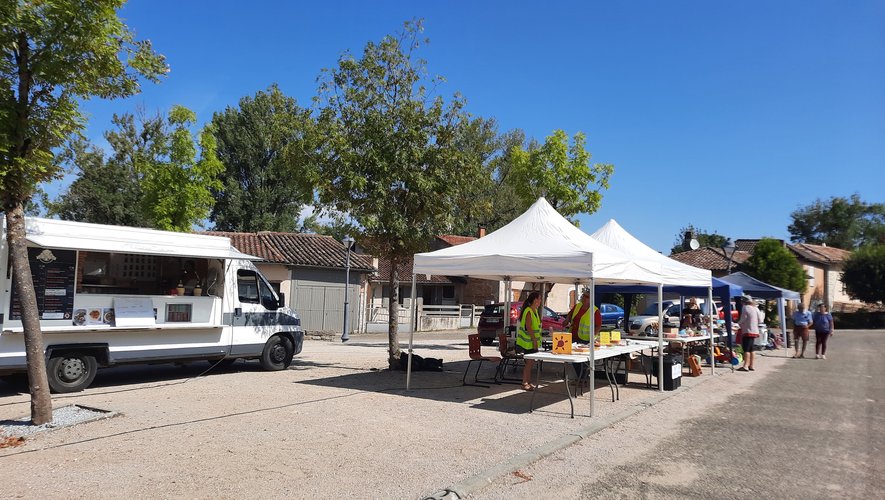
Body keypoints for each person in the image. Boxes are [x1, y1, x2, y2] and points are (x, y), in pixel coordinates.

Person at [561, 289, 603, 382]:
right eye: (583, 296)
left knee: (582, 360)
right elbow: (570, 314)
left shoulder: (595, 311)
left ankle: (582, 379)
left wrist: (593, 337)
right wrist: (566, 320)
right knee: (573, 358)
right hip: (573, 336)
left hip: (585, 339)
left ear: (591, 299)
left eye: (586, 296)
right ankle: (581, 378)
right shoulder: (578, 306)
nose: (583, 298)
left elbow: (598, 325)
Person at [516, 291, 542, 391]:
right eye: (539, 299)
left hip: (531, 342)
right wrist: (534, 340)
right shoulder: (528, 311)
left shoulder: (534, 311)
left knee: (530, 363)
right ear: (535, 300)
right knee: (529, 363)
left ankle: (528, 382)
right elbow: (529, 327)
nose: (540, 301)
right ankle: (524, 383)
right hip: (528, 343)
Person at [737, 295, 762, 372]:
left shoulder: (745, 308)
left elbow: (743, 318)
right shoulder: (756, 308)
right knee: (752, 349)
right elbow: (760, 320)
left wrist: (737, 324)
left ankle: (745, 366)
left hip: (747, 330)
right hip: (755, 330)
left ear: (744, 301)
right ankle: (751, 365)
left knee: (746, 349)